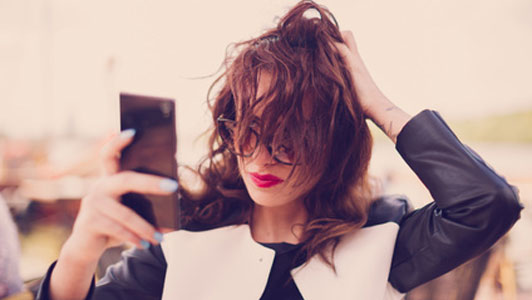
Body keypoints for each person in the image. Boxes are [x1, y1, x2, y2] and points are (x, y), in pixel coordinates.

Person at [36, 1, 522, 299]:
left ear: (334, 141)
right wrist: (81, 251)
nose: (262, 155)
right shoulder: (184, 239)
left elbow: (489, 204)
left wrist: (376, 104)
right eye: (247, 126)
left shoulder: (381, 238)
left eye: (291, 134)